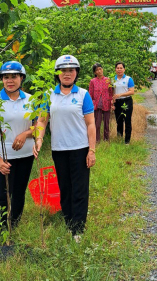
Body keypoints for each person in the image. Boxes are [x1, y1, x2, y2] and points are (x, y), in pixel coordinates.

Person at [33, 55, 96, 242]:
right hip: (59, 149)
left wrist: (92, 150)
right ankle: (69, 222)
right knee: (65, 187)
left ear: (76, 73)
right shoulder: (48, 96)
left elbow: (91, 124)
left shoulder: (83, 95)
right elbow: (42, 121)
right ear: (57, 74)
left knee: (80, 188)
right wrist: (39, 139)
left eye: (71, 70)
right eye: (63, 71)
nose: (67, 74)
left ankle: (78, 228)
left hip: (80, 148)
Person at [0, 61, 34, 229]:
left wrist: (26, 133)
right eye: (6, 77)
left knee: (19, 193)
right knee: (2, 196)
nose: (10, 80)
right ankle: (2, 230)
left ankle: (15, 225)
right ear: (1, 79)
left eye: (14, 76)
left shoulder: (32, 100)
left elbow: (39, 126)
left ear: (21, 78)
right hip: (3, 158)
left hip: (26, 156)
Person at [89, 63, 113, 143]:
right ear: (95, 72)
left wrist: (111, 102)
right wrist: (92, 103)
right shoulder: (93, 81)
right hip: (97, 105)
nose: (99, 71)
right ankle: (97, 140)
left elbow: (110, 93)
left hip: (106, 104)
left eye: (100, 69)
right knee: (97, 124)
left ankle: (106, 139)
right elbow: (90, 94)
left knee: (106, 123)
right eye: (97, 70)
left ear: (102, 69)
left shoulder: (108, 80)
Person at [112, 61, 135, 145]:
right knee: (119, 121)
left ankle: (127, 142)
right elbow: (112, 92)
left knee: (127, 121)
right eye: (117, 68)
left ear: (124, 69)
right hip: (117, 102)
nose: (119, 70)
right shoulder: (112, 79)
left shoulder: (128, 79)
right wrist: (112, 102)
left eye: (121, 68)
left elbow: (132, 92)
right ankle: (119, 139)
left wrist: (120, 94)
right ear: (115, 69)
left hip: (126, 101)